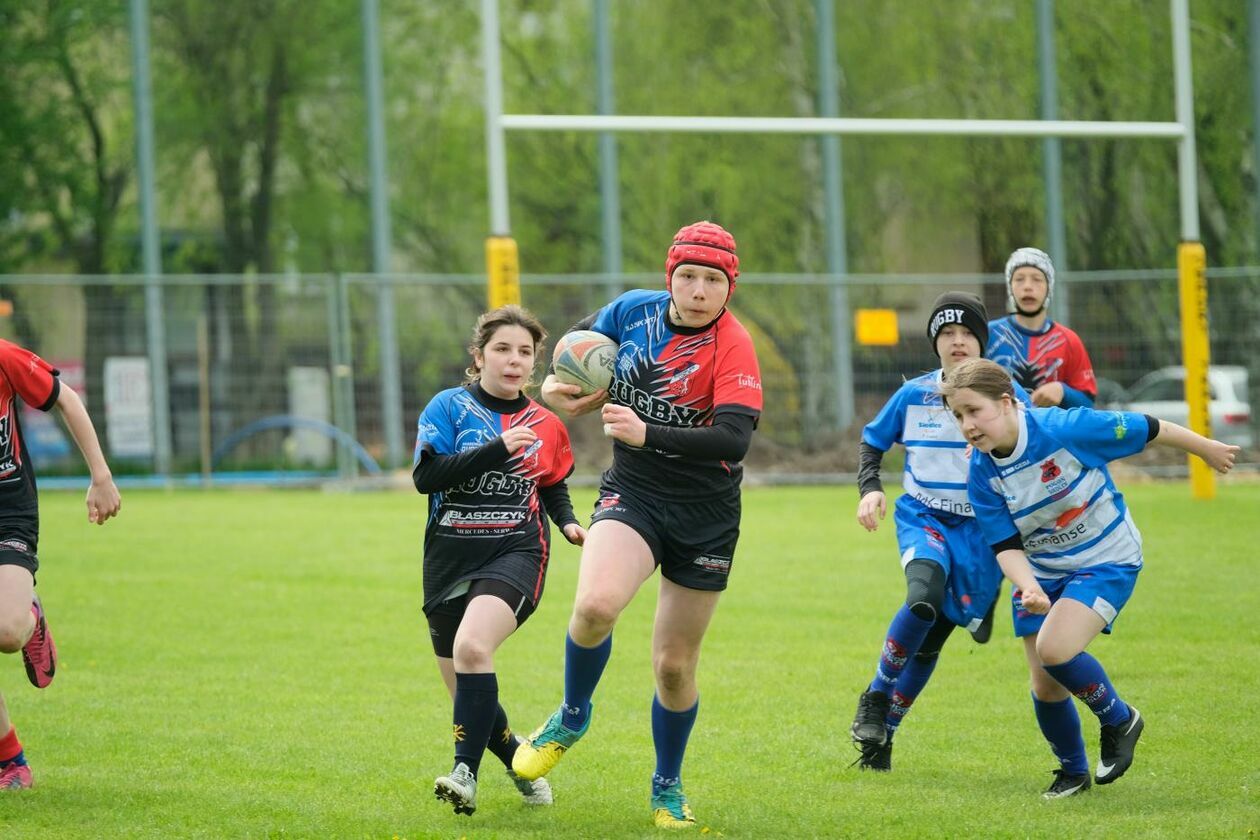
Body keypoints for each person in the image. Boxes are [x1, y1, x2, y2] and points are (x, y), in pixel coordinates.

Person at [511, 221, 762, 829]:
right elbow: (568, 361)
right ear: (668, 277)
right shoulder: (631, 312)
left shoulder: (734, 345)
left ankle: (667, 786)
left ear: (729, 286)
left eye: (712, 280)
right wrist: (556, 386)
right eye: (687, 277)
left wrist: (649, 431)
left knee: (674, 667)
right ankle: (572, 713)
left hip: (706, 514)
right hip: (635, 491)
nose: (699, 290)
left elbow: (735, 437)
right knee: (595, 605)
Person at [940, 357, 1238, 799]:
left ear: (1006, 403)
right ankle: (1073, 772)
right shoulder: (982, 474)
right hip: (1041, 571)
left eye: (973, 411)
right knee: (1044, 682)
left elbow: (1148, 427)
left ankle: (1119, 718)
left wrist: (1204, 448)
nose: (967, 425)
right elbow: (1004, 545)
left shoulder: (1065, 429)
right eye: (958, 416)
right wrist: (1029, 586)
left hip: (1106, 558)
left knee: (1055, 649)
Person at [413, 305, 586, 817]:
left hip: (516, 552)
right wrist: (496, 448)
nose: (514, 361)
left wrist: (569, 521)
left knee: (472, 647)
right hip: (448, 559)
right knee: (466, 685)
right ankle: (517, 757)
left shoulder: (545, 424)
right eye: (502, 350)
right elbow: (427, 477)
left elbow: (552, 484)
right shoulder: (447, 408)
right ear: (479, 356)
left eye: (525, 353)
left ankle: (464, 774)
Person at [850, 292, 1029, 771]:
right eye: (947, 333)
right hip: (924, 517)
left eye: (967, 333)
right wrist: (871, 490)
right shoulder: (914, 395)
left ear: (981, 342)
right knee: (922, 597)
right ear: (935, 343)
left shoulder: (1008, 397)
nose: (957, 341)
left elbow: (1035, 453)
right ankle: (875, 696)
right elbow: (872, 442)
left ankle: (885, 735)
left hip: (984, 533)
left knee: (933, 638)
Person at [0, 339, 121, 790]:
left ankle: (30, 615)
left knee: (8, 633)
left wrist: (100, 475)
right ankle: (12, 761)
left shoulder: (3, 358)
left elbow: (65, 398)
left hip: (8, 511)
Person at [973, 247, 1098, 644]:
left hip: (1047, 456)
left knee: (1041, 527)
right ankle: (985, 598)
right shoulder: (990, 335)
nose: (1028, 287)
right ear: (1010, 287)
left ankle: (1056, 602)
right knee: (992, 525)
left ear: (1049, 288)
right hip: (998, 452)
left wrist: (1064, 391)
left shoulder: (1067, 341)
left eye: (1037, 279)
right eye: (1020, 279)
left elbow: (1088, 403)